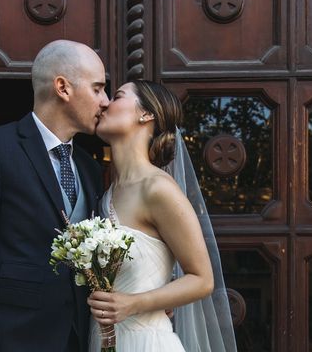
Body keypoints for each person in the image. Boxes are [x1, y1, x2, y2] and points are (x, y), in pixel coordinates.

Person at [0, 40, 109, 352]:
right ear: (63, 87)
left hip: (81, 338)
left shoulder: (89, 167)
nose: (106, 101)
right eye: (98, 88)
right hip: (13, 337)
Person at [87, 80, 237, 351]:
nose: (106, 103)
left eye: (117, 96)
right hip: (105, 340)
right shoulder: (106, 193)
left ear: (146, 114)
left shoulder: (158, 189)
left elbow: (202, 279)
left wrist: (134, 303)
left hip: (147, 342)